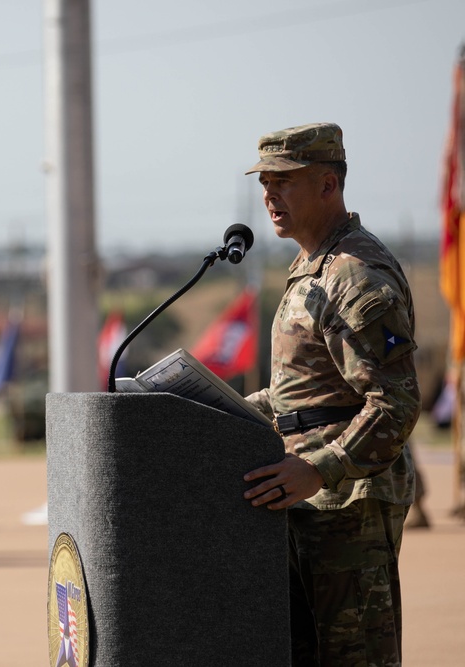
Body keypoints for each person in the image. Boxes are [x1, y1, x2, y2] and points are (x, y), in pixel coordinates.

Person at [240, 123, 420, 665]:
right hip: (305, 500)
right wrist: (209, 407)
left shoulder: (357, 276)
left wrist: (321, 467)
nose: (270, 195)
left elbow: (396, 403)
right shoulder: (311, 267)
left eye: (284, 181)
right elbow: (301, 395)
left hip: (350, 508)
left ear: (327, 185)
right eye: (265, 181)